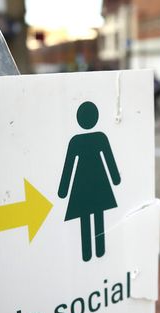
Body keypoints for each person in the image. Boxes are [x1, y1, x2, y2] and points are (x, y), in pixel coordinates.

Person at [58, 102, 121, 262]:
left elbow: (69, 167)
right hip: (100, 182)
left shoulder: (76, 141)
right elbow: (109, 161)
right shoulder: (100, 137)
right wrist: (115, 179)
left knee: (85, 218)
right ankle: (99, 250)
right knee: (98, 215)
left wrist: (63, 190)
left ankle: (88, 253)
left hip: (81, 185)